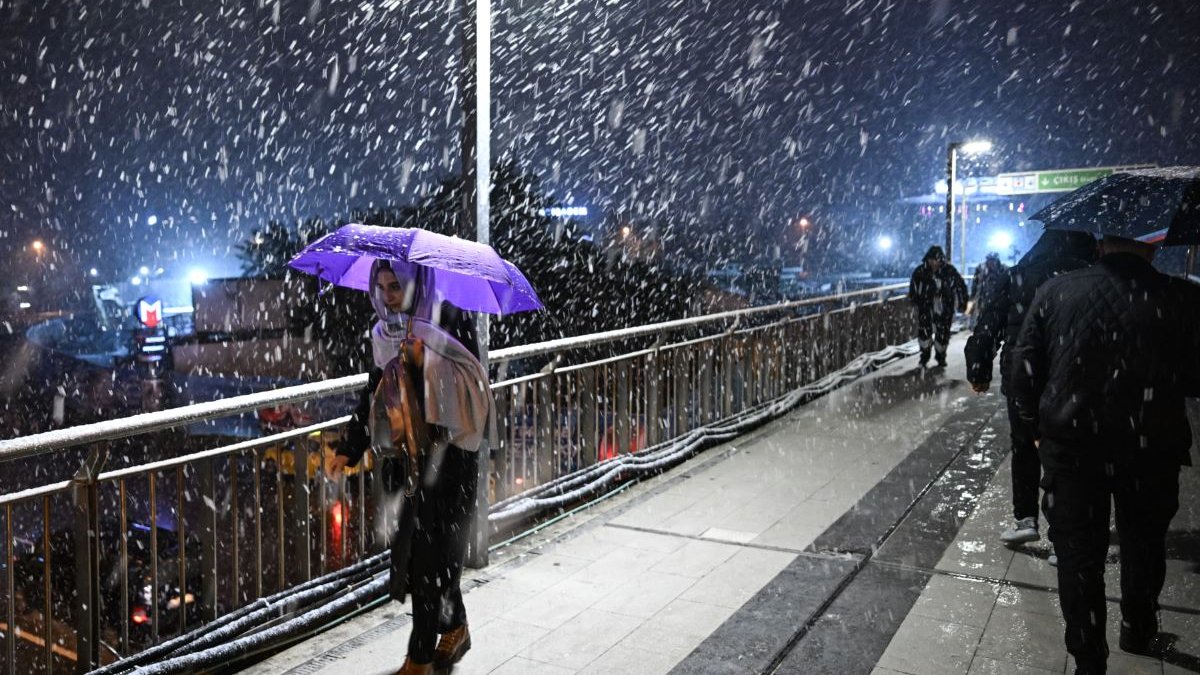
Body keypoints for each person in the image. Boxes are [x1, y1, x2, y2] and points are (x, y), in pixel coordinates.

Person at [1010, 235, 1200, 675]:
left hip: (1073, 447)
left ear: (1101, 245)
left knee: (1078, 555)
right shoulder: (1182, 297)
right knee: (1144, 542)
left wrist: (1035, 431)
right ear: (1152, 249)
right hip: (1151, 447)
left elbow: (1024, 370)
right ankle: (1137, 625)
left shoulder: (1057, 290)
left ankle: (1089, 658)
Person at [329, 259, 495, 675]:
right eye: (382, 287)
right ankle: (454, 627)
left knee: (428, 558)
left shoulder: (449, 318)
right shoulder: (387, 335)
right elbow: (376, 390)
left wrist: (426, 363)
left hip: (452, 458)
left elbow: (472, 382)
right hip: (411, 462)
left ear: (417, 282)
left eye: (396, 285)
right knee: (429, 556)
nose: (389, 296)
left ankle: (419, 658)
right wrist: (349, 447)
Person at [964, 230, 1096, 549]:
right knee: (1068, 451)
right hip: (1071, 375)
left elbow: (988, 325)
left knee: (1023, 444)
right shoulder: (1089, 278)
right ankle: (1063, 532)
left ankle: (1025, 519)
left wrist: (979, 369)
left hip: (1022, 374)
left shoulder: (1018, 275)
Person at [907, 245, 968, 366]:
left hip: (945, 306)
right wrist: (914, 300)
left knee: (943, 332)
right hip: (926, 306)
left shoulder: (949, 271)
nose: (934, 263)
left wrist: (962, 303)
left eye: (937, 260)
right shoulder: (920, 272)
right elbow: (913, 288)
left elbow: (960, 286)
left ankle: (940, 356)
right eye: (932, 260)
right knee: (924, 332)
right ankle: (924, 355)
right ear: (928, 259)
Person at [968, 252, 1007, 328]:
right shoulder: (981, 270)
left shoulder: (1003, 270)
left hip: (998, 300)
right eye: (989, 260)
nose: (991, 263)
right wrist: (973, 297)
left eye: (993, 261)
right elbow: (975, 285)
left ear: (997, 261)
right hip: (984, 300)